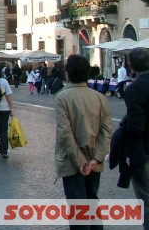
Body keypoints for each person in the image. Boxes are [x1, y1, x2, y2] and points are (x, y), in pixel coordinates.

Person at [55, 54, 111, 230]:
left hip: (72, 161)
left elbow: (65, 133)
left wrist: (80, 162)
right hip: (94, 160)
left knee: (78, 208)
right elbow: (107, 131)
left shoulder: (62, 97)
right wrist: (96, 159)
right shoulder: (101, 98)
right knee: (92, 202)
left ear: (68, 74)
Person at [121, 48, 149, 229]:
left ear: (131, 64)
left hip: (144, 151)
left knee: (146, 200)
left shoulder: (134, 89)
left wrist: (122, 133)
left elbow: (136, 125)